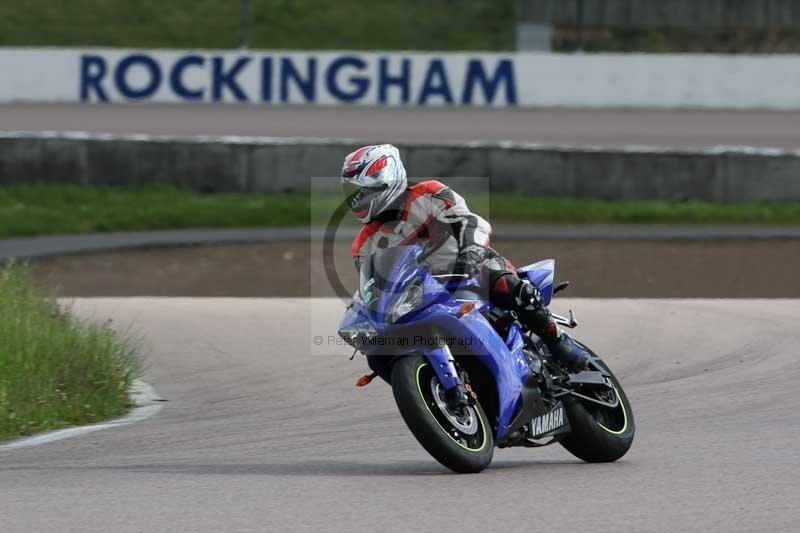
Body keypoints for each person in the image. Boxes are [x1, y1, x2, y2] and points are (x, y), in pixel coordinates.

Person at [341, 144, 590, 380]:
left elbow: (470, 222)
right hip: (420, 298)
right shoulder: (363, 244)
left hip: (467, 267)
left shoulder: (428, 193)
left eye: (363, 192)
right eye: (352, 194)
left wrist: (470, 252)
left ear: (389, 177)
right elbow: (375, 288)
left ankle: (557, 340)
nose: (357, 200)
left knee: (502, 282)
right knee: (379, 354)